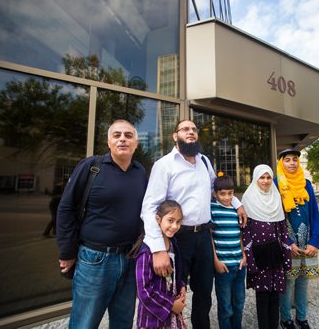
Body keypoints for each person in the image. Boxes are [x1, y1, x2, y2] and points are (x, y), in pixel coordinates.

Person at [141, 119, 247, 329]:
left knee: (204, 293)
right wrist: (158, 249)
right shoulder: (164, 165)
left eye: (194, 129)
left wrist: (237, 203)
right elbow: (150, 207)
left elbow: (216, 192)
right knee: (170, 292)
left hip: (204, 236)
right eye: (185, 129)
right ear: (175, 136)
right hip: (177, 238)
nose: (190, 132)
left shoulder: (204, 161)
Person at [56, 119, 148, 329]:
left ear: (135, 143)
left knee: (123, 322)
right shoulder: (91, 167)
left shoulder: (140, 172)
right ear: (109, 142)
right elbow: (66, 208)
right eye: (117, 135)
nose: (122, 139)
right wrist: (67, 252)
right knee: (84, 323)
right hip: (95, 260)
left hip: (131, 258)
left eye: (128, 135)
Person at [241, 164, 292, 329]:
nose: (265, 181)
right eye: (262, 177)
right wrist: (250, 258)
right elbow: (245, 232)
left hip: (276, 254)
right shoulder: (248, 199)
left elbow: (283, 229)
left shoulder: (276, 198)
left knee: (275, 294)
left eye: (268, 177)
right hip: (258, 255)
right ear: (256, 179)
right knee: (262, 296)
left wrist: (287, 255)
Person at [275, 149, 319, 329]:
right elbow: (277, 217)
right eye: (287, 160)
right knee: (288, 281)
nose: (292, 163)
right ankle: (285, 318)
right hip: (289, 243)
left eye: (295, 160)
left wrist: (314, 241)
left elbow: (315, 215)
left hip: (308, 242)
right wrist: (288, 242)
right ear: (281, 163)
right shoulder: (277, 185)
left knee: (303, 280)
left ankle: (302, 317)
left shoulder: (306, 184)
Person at [135, 200, 187, 329]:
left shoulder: (173, 245)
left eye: (178, 221)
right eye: (170, 220)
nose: (175, 226)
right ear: (158, 219)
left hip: (172, 317)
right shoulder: (146, 252)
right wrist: (171, 305)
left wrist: (182, 286)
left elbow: (177, 273)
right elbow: (144, 291)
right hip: (152, 319)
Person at [210, 175, 247, 329]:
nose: (227, 197)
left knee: (238, 305)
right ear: (215, 194)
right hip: (223, 268)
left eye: (230, 193)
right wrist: (215, 261)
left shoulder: (236, 210)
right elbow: (210, 237)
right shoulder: (211, 209)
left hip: (239, 266)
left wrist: (244, 255)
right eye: (222, 194)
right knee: (226, 308)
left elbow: (240, 235)